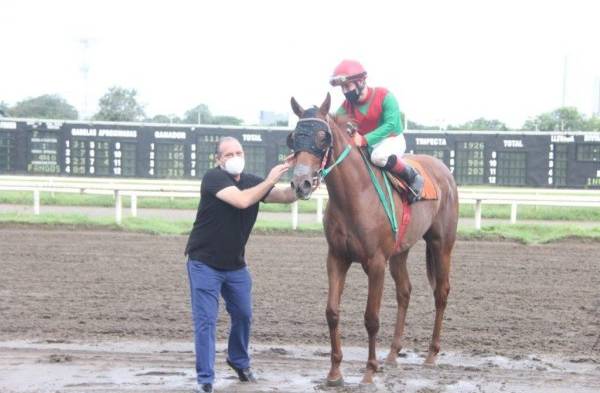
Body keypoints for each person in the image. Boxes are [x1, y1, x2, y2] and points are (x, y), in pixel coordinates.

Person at [185, 136, 297, 393]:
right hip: (203, 263)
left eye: (238, 152)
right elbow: (242, 201)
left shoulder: (252, 181)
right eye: (228, 155)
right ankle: (205, 379)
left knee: (244, 315)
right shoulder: (213, 179)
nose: (235, 158)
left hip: (235, 266)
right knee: (206, 321)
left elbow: (284, 196)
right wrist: (270, 179)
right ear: (218, 160)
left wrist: (305, 180)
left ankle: (238, 360)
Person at [329, 59, 423, 203]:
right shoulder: (344, 108)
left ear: (360, 81)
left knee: (378, 157)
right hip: (367, 145)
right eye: (342, 88)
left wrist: (364, 139)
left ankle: (413, 176)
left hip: (392, 139)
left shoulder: (385, 96)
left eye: (347, 86)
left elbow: (391, 125)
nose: (345, 92)